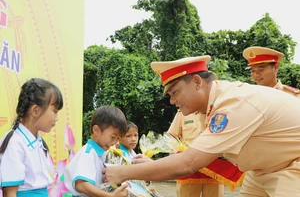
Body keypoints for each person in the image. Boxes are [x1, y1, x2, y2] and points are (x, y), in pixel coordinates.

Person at [103, 55, 300, 196]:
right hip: (261, 170)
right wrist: (154, 166)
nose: (172, 102)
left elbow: (189, 163)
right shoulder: (209, 109)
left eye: (175, 92)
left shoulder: (232, 104)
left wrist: (122, 172)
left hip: (292, 166)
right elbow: (203, 154)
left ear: (197, 82)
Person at [0, 78, 64, 197]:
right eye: (54, 111)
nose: (57, 118)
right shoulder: (15, 143)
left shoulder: (39, 143)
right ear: (35, 110)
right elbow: (10, 193)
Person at [64, 106, 128, 197]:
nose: (114, 142)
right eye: (113, 137)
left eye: (118, 139)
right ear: (96, 130)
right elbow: (81, 185)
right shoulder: (88, 153)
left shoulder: (102, 154)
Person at [168, 111, 224, 197]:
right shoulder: (183, 113)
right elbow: (172, 136)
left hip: (213, 164)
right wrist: (173, 158)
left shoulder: (217, 112)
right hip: (188, 165)